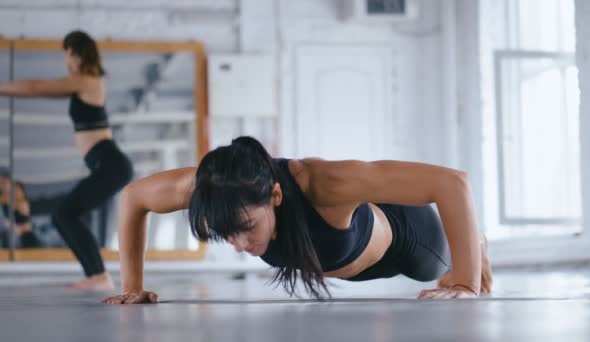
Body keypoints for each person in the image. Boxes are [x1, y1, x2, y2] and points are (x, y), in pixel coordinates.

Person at [103, 136, 492, 304]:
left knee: (436, 270)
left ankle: (476, 239)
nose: (240, 246)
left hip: (409, 240)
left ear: (275, 195)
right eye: (227, 235)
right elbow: (133, 198)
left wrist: (465, 282)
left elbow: (452, 181)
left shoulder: (324, 184)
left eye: (246, 228)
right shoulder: (211, 190)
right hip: (353, 253)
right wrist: (133, 286)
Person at [0, 30, 133, 291]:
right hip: (106, 164)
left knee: (64, 214)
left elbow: (37, 87)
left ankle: (99, 276)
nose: (65, 60)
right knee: (64, 215)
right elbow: (40, 91)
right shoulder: (84, 82)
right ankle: (96, 276)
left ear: (72, 53)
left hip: (111, 164)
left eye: (65, 54)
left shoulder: (87, 80)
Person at [0, 176, 43, 248]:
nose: (16, 193)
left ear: (23, 192)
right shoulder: (8, 202)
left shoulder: (23, 204)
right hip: (16, 234)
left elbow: (28, 223)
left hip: (26, 233)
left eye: (18, 190)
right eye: (14, 190)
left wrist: (20, 228)